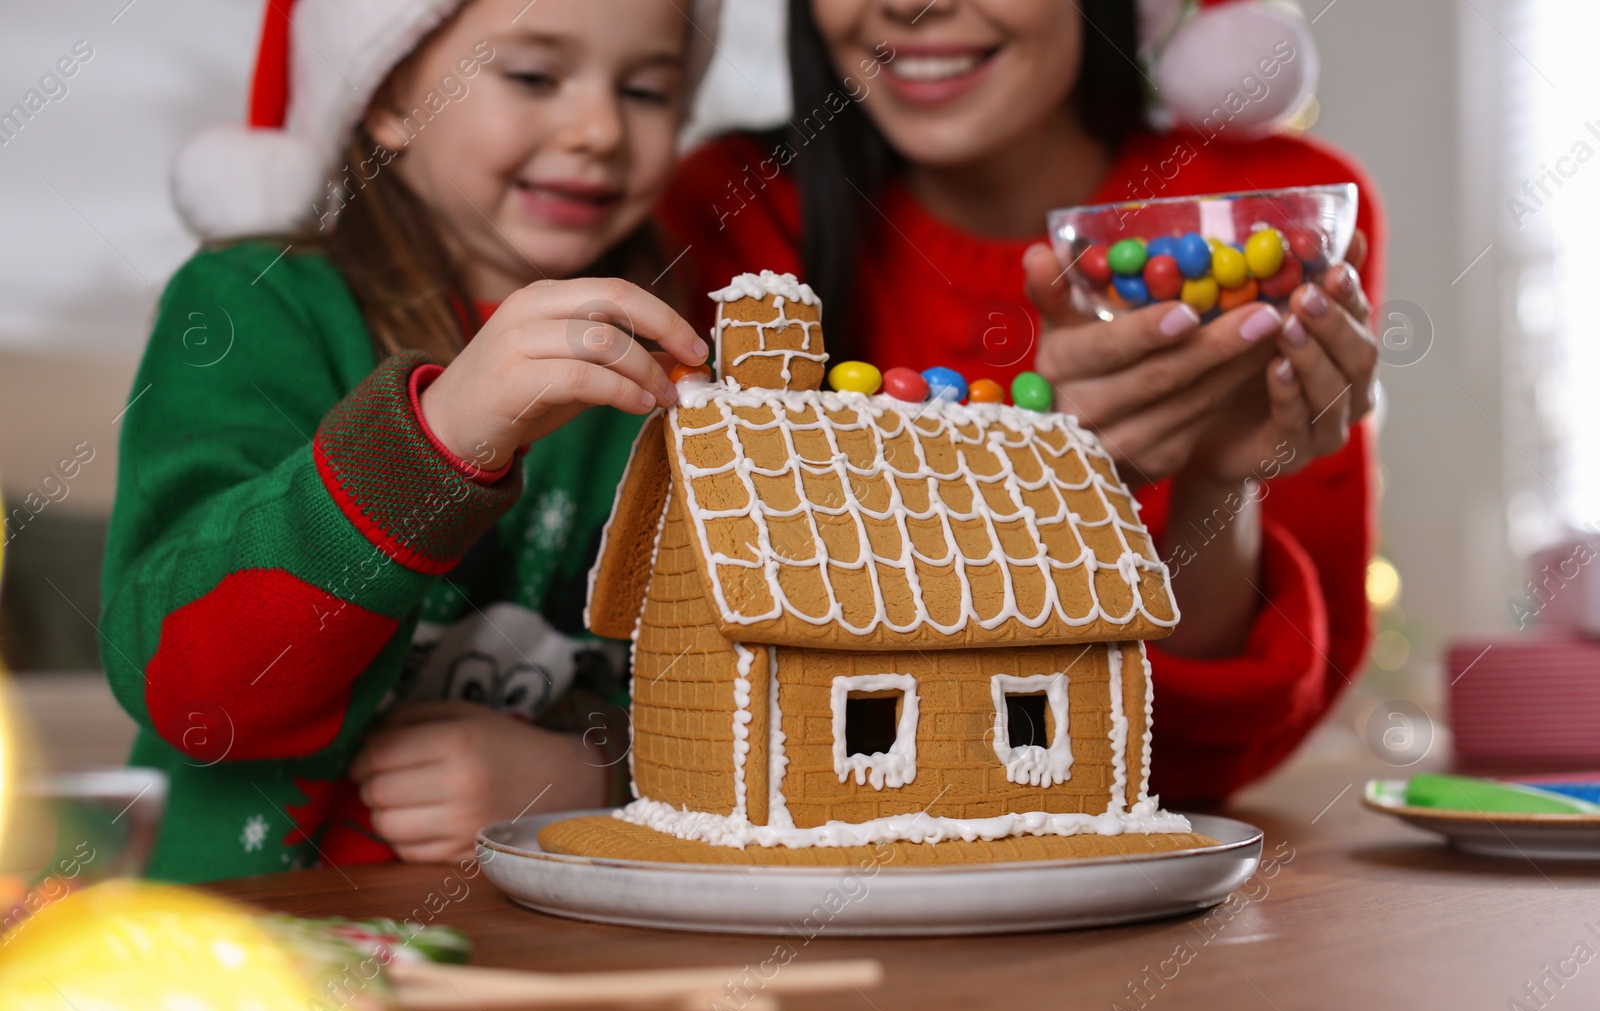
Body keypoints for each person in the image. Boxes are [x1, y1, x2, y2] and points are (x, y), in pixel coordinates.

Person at [660, 0, 1384, 802]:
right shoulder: (734, 210)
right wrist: (1057, 495)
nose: (909, 5)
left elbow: (1189, 775)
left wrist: (1218, 482)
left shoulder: (1265, 213)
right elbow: (751, 717)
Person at [100, 0, 717, 881]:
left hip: (543, 972)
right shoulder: (250, 302)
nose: (599, 130)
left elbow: (741, 692)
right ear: (389, 95)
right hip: (237, 960)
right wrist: (438, 438)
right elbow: (185, 681)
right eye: (534, 75)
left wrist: (593, 768)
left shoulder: (679, 367)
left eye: (649, 90)